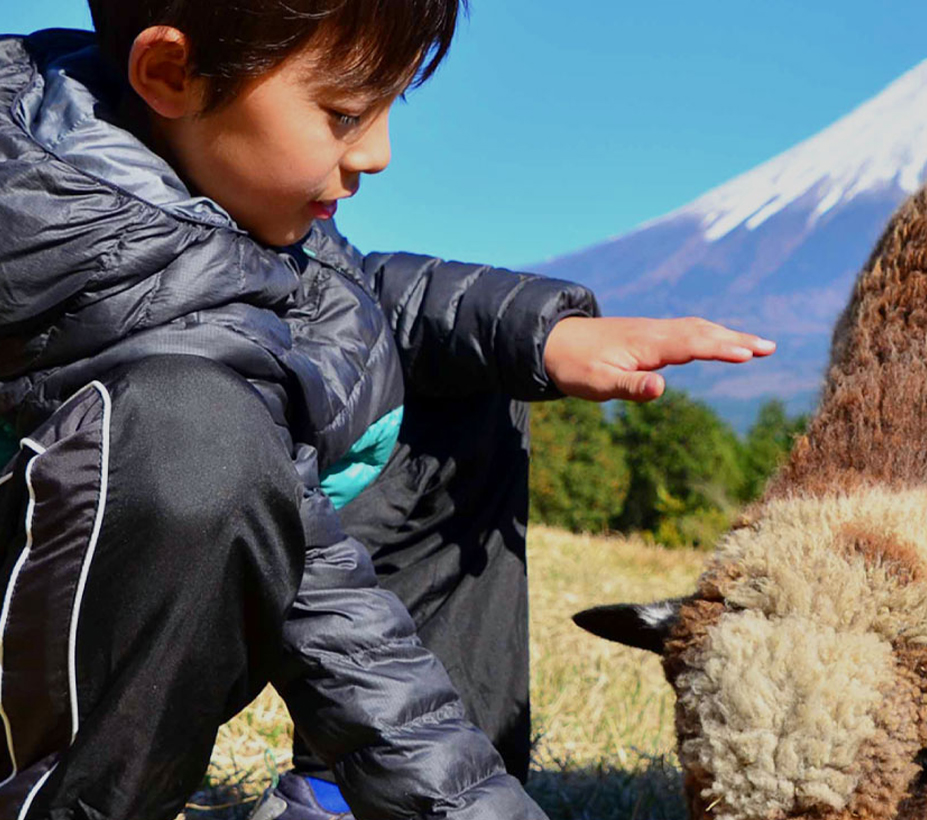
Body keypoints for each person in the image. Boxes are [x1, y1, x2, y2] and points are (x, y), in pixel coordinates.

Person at [0, 2, 775, 819]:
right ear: (168, 74)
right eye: (345, 113)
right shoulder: (93, 273)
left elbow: (340, 298)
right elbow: (337, 620)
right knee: (197, 440)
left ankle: (341, 802)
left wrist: (541, 335)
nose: (378, 153)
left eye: (385, 109)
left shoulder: (134, 166)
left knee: (462, 373)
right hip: (40, 652)